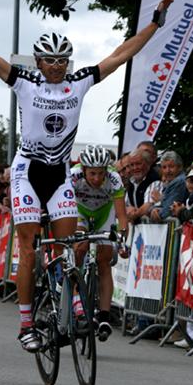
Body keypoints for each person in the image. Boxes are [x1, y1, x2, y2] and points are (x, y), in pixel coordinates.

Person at [0, 0, 173, 351]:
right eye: (50, 60)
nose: (57, 66)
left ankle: (77, 307)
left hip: (60, 172)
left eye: (63, 60)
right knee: (29, 247)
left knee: (69, 244)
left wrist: (155, 25)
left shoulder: (79, 83)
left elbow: (121, 53)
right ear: (38, 61)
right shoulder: (24, 82)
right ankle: (26, 323)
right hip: (27, 171)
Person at [70, 145, 129, 342]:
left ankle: (103, 316)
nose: (97, 178)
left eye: (101, 173)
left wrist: (121, 240)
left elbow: (122, 216)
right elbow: (64, 207)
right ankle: (75, 291)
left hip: (104, 212)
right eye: (92, 173)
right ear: (84, 169)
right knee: (80, 246)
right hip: (80, 211)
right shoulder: (74, 176)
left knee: (104, 260)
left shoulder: (114, 179)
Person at [148, 151, 188, 222]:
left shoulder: (179, 182)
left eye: (171, 166)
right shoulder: (171, 182)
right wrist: (153, 210)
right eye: (164, 167)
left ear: (179, 167)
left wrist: (155, 213)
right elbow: (164, 205)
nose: (167, 171)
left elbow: (169, 210)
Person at [125, 149, 161, 224]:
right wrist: (127, 210)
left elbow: (147, 207)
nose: (135, 168)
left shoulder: (154, 180)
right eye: (132, 165)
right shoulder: (131, 182)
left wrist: (134, 214)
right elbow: (124, 206)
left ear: (148, 164)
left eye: (138, 164)